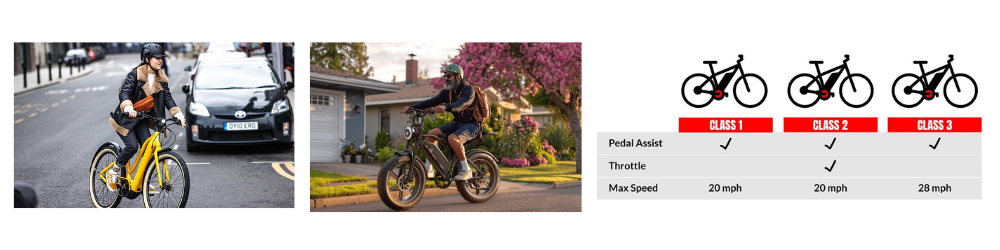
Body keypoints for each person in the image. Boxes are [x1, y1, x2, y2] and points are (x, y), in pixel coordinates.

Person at [106, 43, 186, 191]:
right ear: (147, 58)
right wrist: (128, 107)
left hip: (142, 118)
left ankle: (143, 181)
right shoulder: (136, 74)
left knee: (147, 149)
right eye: (157, 58)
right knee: (132, 147)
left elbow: (168, 98)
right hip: (126, 118)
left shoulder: (161, 77)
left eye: (162, 58)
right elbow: (125, 92)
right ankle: (114, 171)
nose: (161, 60)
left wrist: (178, 114)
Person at [405, 64, 479, 180]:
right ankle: (429, 169)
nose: (446, 78)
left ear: (458, 76)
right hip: (457, 123)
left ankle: (466, 169)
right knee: (431, 134)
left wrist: (445, 107)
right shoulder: (448, 92)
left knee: (452, 138)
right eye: (445, 76)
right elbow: (432, 101)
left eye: (448, 76)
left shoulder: (469, 90)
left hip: (472, 125)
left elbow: (461, 105)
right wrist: (412, 108)